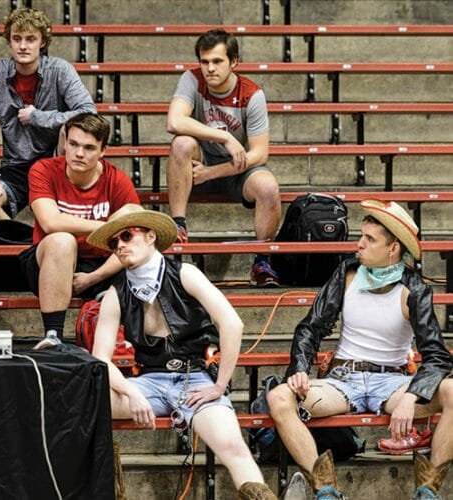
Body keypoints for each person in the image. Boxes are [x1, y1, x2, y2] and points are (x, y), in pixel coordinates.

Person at [85, 204, 277, 500]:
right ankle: (103, 491)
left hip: (195, 379)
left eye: (126, 236)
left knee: (233, 447)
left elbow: (232, 324)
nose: (120, 246)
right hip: (148, 382)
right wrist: (131, 393)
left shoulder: (184, 273)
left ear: (150, 236)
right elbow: (100, 360)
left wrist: (220, 386)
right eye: (114, 243)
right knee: (88, 401)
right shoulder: (116, 294)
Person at [266, 200, 453, 500]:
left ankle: (428, 492)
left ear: (393, 248)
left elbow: (437, 356)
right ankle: (325, 490)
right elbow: (310, 328)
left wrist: (411, 396)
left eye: (370, 239)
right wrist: (299, 369)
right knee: (279, 397)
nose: (359, 244)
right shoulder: (347, 273)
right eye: (361, 236)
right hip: (343, 380)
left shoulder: (413, 289)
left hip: (392, 383)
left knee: (452, 391)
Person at [165, 29, 281, 287]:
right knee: (181, 144)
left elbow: (260, 153)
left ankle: (262, 262)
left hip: (235, 170)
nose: (210, 68)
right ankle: (178, 229)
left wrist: (213, 172)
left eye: (217, 61)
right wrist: (224, 137)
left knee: (269, 187)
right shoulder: (192, 79)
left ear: (234, 62)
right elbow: (174, 121)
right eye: (204, 62)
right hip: (201, 159)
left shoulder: (252, 94)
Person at [19, 113, 139, 342]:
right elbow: (50, 222)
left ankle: (120, 332)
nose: (79, 153)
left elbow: (131, 240)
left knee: (143, 256)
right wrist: (109, 225)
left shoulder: (118, 181)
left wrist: (92, 277)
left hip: (100, 265)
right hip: (48, 260)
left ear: (103, 151)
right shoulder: (43, 169)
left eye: (89, 147)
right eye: (73, 144)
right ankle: (52, 336)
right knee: (62, 239)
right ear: (65, 143)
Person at [0, 7, 96, 223]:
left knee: (71, 128)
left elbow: (89, 113)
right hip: (16, 165)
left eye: (30, 39)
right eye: (17, 38)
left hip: (55, 162)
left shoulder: (60, 70)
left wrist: (39, 117)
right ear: (9, 41)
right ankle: (19, 247)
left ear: (42, 42)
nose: (22, 46)